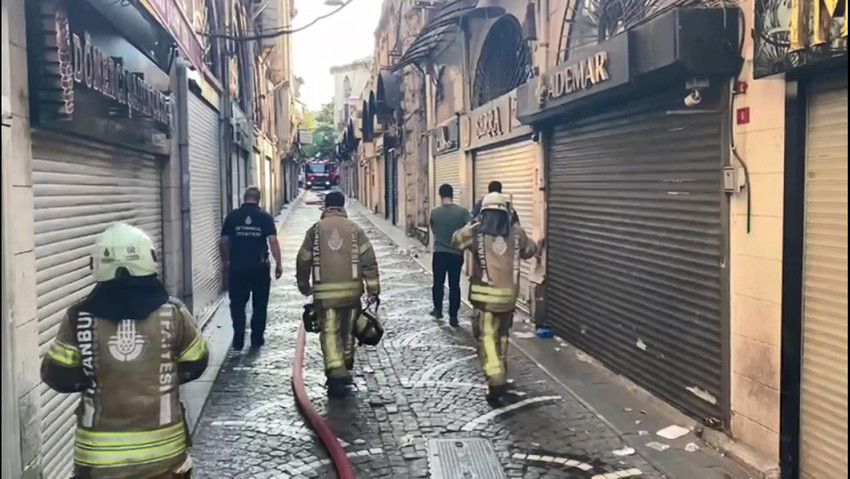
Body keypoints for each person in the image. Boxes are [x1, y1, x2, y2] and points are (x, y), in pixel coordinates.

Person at [41, 223, 208, 479]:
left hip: (97, 461)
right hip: (164, 458)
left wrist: (93, 375)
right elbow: (196, 361)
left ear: (96, 263)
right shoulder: (172, 312)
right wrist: (164, 374)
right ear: (148, 259)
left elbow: (57, 374)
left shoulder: (78, 316)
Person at [453, 192, 538, 404]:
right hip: (508, 299)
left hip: (485, 301)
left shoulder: (476, 232)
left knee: (487, 339)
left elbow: (455, 242)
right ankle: (500, 375)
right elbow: (530, 250)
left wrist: (473, 222)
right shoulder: (516, 232)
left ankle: (495, 379)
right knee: (502, 338)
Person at [296, 192, 380, 397]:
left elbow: (303, 259)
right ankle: (346, 364)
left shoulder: (315, 231)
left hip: (325, 296)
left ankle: (335, 372)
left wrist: (304, 285)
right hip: (352, 294)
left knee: (330, 332)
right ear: (342, 206)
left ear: (326, 206)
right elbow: (368, 259)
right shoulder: (354, 229)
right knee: (348, 330)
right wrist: (373, 290)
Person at [220, 186, 283, 351]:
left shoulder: (233, 217)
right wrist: (278, 263)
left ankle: (238, 336)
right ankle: (257, 338)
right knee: (260, 304)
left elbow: (224, 241)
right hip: (259, 268)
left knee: (237, 304)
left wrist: (226, 261)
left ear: (244, 198)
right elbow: (273, 241)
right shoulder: (265, 217)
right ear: (259, 199)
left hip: (237, 267)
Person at [429, 184, 471, 327]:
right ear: (452, 195)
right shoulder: (462, 212)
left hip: (439, 253)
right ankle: (453, 316)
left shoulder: (434, 212)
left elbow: (433, 229)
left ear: (440, 195)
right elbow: (469, 229)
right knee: (455, 285)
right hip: (456, 254)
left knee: (438, 283)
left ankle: (438, 310)